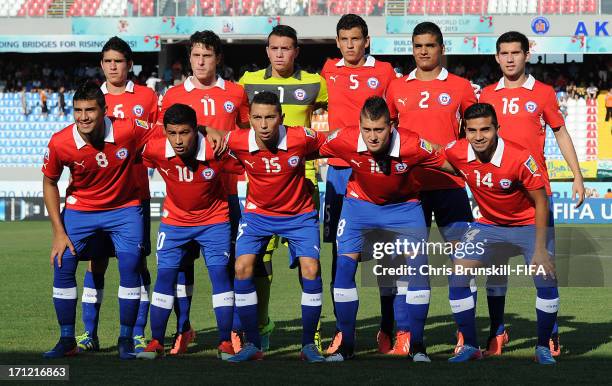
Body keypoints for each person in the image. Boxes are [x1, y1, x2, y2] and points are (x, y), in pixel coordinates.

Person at [319, 96, 456, 362]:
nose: (372, 137)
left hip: (404, 209)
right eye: (367, 129)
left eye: (379, 129)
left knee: (418, 270)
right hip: (358, 206)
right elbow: (307, 146)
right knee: (344, 267)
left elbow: (451, 163)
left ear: (391, 126)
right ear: (359, 126)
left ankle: (417, 346)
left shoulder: (413, 144)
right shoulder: (344, 139)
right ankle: (346, 345)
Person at [479, 31, 584, 357]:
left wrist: (577, 176)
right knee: (494, 270)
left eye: (516, 52)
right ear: (496, 57)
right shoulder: (485, 95)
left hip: (534, 196)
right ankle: (497, 331)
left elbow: (561, 132)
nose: (510, 58)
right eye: (504, 53)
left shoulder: (543, 93)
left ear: (527, 55)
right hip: (495, 197)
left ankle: (549, 337)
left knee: (544, 269)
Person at [42, 81, 155, 359]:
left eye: (90, 110)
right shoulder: (60, 141)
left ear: (105, 111)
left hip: (124, 209)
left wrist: (207, 130)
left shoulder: (129, 128)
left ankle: (126, 339)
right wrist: (58, 231)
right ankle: (67, 338)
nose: (84, 117)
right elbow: (49, 182)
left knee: (130, 264)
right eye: (78, 110)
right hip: (81, 210)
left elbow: (167, 129)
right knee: (63, 262)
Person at [385, 21, 477, 354]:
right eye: (418, 45)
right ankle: (405, 334)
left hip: (451, 185)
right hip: (410, 189)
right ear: (412, 48)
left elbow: (477, 133)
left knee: (464, 260)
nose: (423, 51)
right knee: (406, 262)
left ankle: (466, 334)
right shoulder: (396, 87)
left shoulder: (462, 87)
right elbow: (385, 134)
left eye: (430, 45)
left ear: (441, 48)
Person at [443, 103, 559, 365]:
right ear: (465, 131)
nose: (479, 136)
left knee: (546, 277)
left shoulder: (519, 157)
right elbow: (439, 158)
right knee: (458, 273)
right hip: (488, 225)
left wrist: (540, 249)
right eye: (472, 130)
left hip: (528, 225)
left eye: (485, 129)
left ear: (497, 129)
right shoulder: (457, 150)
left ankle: (543, 346)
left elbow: (541, 202)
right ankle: (470, 346)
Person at [159, 30, 250, 355]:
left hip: (226, 195)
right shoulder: (172, 96)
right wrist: (202, 129)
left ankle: (234, 329)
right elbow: (163, 140)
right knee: (182, 267)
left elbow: (245, 137)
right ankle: (183, 329)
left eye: (207, 56)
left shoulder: (236, 93)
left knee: (228, 266)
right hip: (184, 199)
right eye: (196, 56)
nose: (201, 62)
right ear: (189, 59)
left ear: (218, 59)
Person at [238, 24, 328, 352]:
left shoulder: (315, 83)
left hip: (304, 182)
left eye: (286, 48)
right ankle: (261, 325)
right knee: (260, 262)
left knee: (310, 265)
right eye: (274, 48)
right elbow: (233, 120)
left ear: (296, 51)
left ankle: (313, 333)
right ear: (267, 51)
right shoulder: (247, 83)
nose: (280, 54)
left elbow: (343, 109)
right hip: (263, 182)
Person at [219, 91, 327, 362]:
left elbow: (333, 144)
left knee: (311, 268)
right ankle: (252, 345)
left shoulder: (301, 137)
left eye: (269, 117)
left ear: (281, 118)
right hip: (258, 215)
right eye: (257, 118)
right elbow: (212, 137)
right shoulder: (238, 140)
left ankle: (308, 346)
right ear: (249, 119)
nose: (264, 124)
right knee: (242, 267)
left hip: (299, 215)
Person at [137, 104, 242, 360]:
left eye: (184, 133)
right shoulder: (155, 149)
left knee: (220, 276)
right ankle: (156, 342)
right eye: (172, 133)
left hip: (214, 219)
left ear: (196, 130)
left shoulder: (217, 150)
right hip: (175, 222)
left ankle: (226, 342)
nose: (178, 140)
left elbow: (247, 166)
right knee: (165, 277)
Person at [76, 36, 159, 355]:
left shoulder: (148, 97)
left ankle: (138, 332)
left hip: (134, 196)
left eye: (119, 61)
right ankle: (89, 333)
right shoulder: (93, 98)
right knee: (94, 264)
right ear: (101, 65)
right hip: (95, 199)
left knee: (135, 264)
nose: (113, 66)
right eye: (108, 61)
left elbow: (156, 141)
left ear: (130, 64)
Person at [320, 14, 397, 355]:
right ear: (337, 42)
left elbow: (396, 117)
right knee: (341, 252)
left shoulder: (385, 73)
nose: (350, 45)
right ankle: (343, 330)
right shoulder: (327, 71)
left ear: (367, 40)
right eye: (344, 39)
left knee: (385, 252)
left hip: (378, 169)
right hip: (339, 170)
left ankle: (387, 327)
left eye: (356, 39)